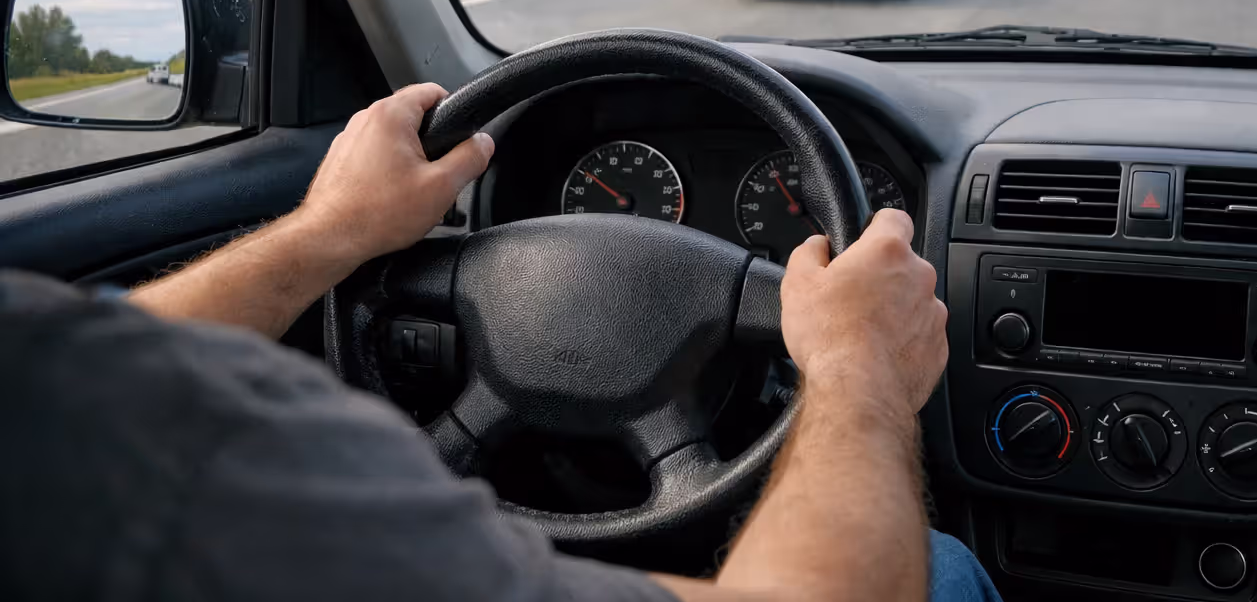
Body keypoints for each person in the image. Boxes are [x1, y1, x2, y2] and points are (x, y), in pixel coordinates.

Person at [1, 83, 1004, 602]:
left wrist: (332, 231)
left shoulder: (61, 413)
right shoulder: (191, 495)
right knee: (939, 564)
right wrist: (857, 364)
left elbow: (116, 353)